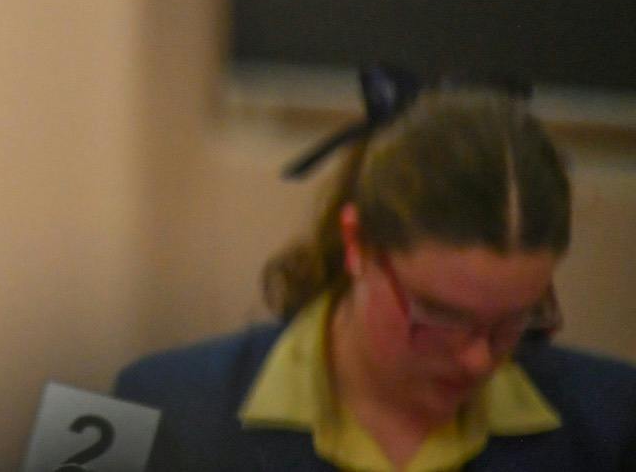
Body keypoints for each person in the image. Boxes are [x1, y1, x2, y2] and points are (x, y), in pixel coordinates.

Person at [114, 69, 636, 471]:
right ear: (357, 244)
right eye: (440, 315)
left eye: (515, 321)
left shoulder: (616, 423)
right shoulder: (138, 402)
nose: (478, 359)